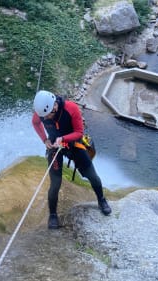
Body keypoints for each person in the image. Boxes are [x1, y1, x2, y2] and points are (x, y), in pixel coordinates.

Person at [32, 90, 112, 229]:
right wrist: (45, 140)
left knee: (92, 176)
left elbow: (79, 132)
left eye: (49, 115)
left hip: (73, 144)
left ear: (54, 106)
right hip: (55, 145)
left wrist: (63, 139)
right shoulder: (42, 113)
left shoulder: (71, 108)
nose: (47, 119)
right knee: (55, 183)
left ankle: (101, 200)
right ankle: (52, 215)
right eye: (44, 117)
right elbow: (35, 123)